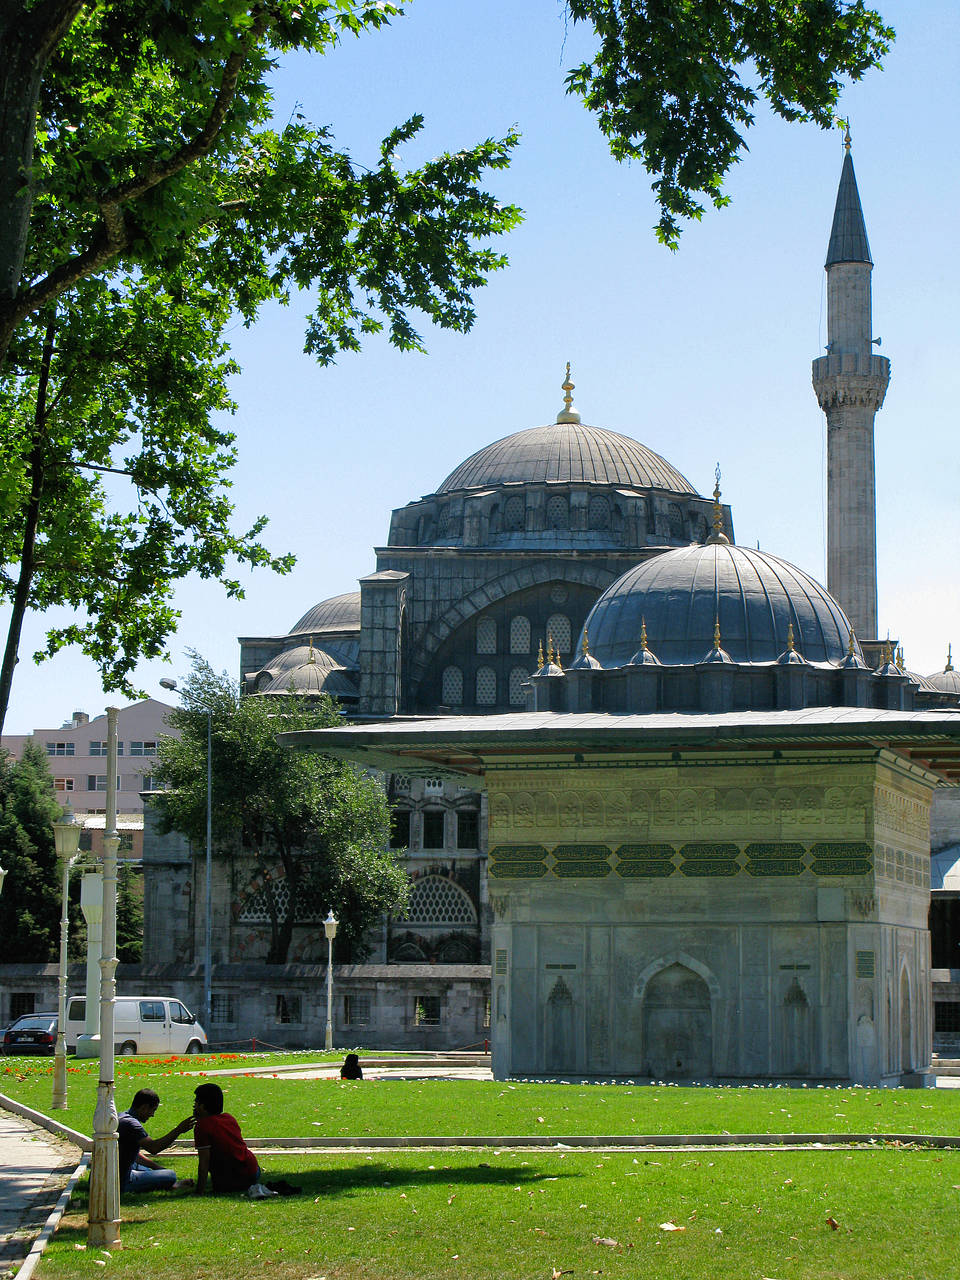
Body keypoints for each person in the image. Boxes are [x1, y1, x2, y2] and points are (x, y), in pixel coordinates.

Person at [117, 1088, 194, 1194]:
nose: (152, 1115)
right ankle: (173, 1184)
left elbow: (134, 1155)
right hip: (122, 1182)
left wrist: (156, 1167)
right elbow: (154, 1148)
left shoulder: (120, 1116)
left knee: (146, 1168)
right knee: (170, 1175)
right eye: (153, 1110)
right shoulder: (132, 1124)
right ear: (144, 1107)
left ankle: (160, 1180)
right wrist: (178, 1130)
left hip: (110, 1174)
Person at [191, 1081, 261, 1194]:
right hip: (252, 1170)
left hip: (233, 1176)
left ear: (202, 1106)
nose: (194, 1107)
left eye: (196, 1103)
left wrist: (199, 1191)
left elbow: (204, 1162)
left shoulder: (202, 1126)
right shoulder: (229, 1118)